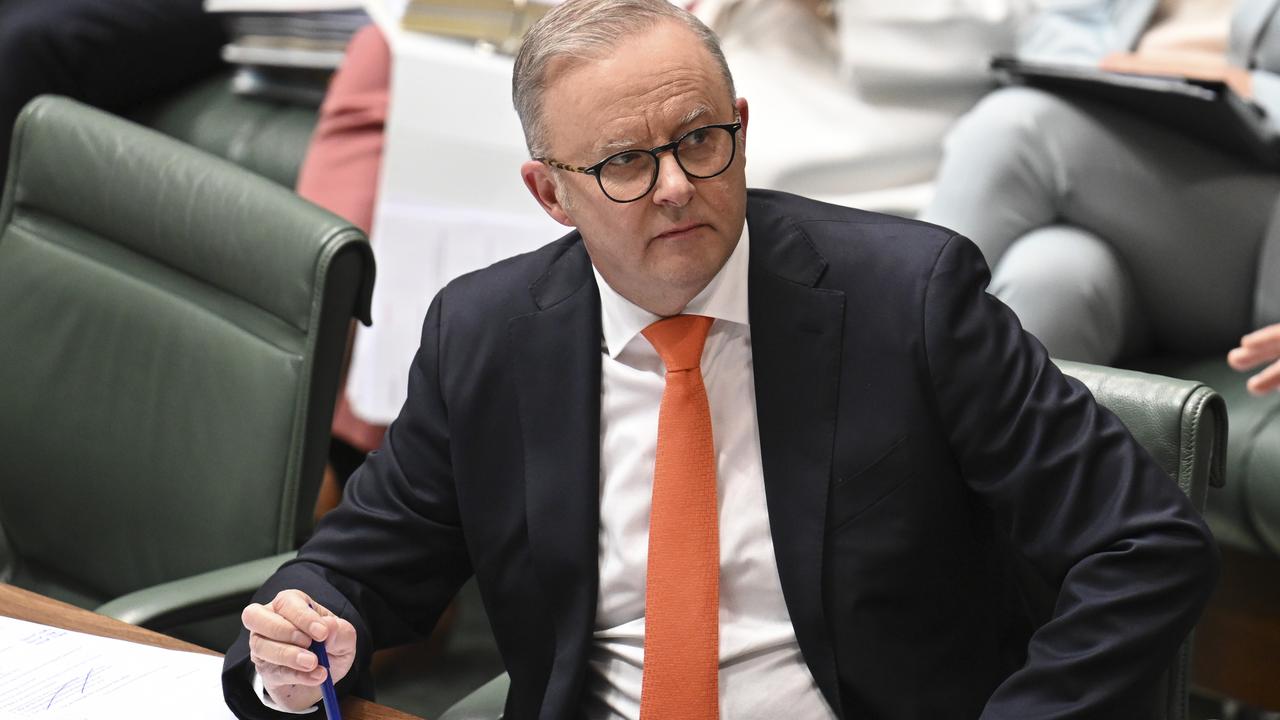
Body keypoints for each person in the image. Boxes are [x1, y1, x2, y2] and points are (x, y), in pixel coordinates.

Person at [222, 1, 1219, 717]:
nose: (672, 188)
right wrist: (303, 639)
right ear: (547, 194)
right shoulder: (488, 336)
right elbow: (359, 569)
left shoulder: (905, 301)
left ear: (739, 128)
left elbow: (1142, 546)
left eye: (699, 140)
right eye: (622, 162)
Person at [921, 0, 1280, 366]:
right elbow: (1055, 32)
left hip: (1257, 213)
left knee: (1010, 129)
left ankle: (889, 365)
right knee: (1051, 277)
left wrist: (1247, 86)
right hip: (1122, 170)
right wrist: (1114, 73)